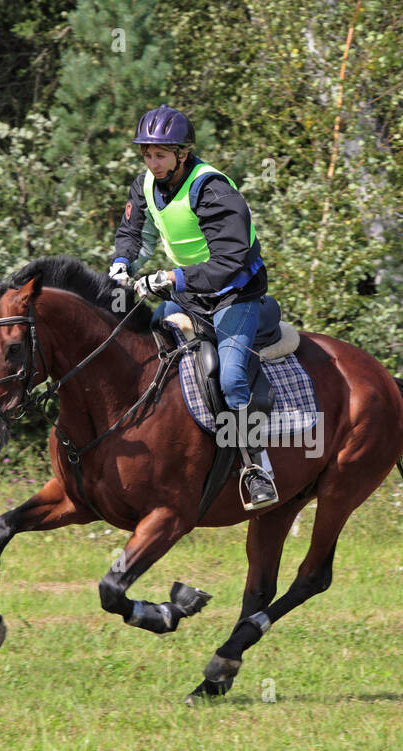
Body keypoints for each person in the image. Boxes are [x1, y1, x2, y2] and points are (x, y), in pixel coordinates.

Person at [109, 104, 279, 510]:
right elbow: (135, 233)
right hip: (189, 295)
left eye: (160, 155)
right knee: (143, 353)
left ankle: (259, 471)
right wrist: (122, 263)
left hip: (234, 294)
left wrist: (170, 278)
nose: (152, 162)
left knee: (233, 377)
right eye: (147, 154)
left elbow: (229, 262)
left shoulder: (213, 189)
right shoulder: (145, 185)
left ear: (183, 153)